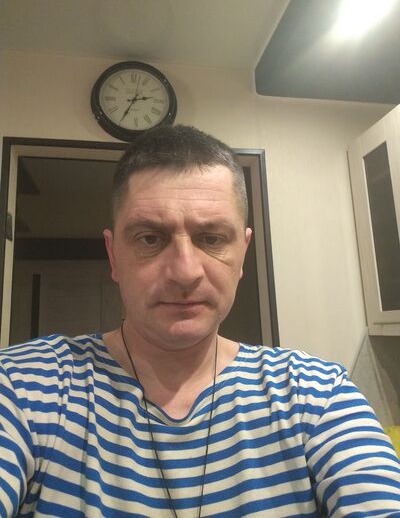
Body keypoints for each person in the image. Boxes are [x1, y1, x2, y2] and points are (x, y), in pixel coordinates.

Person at [0, 124, 399, 518]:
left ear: (242, 254)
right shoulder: (23, 386)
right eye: (150, 238)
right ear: (113, 255)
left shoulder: (316, 394)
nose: (185, 272)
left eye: (211, 239)